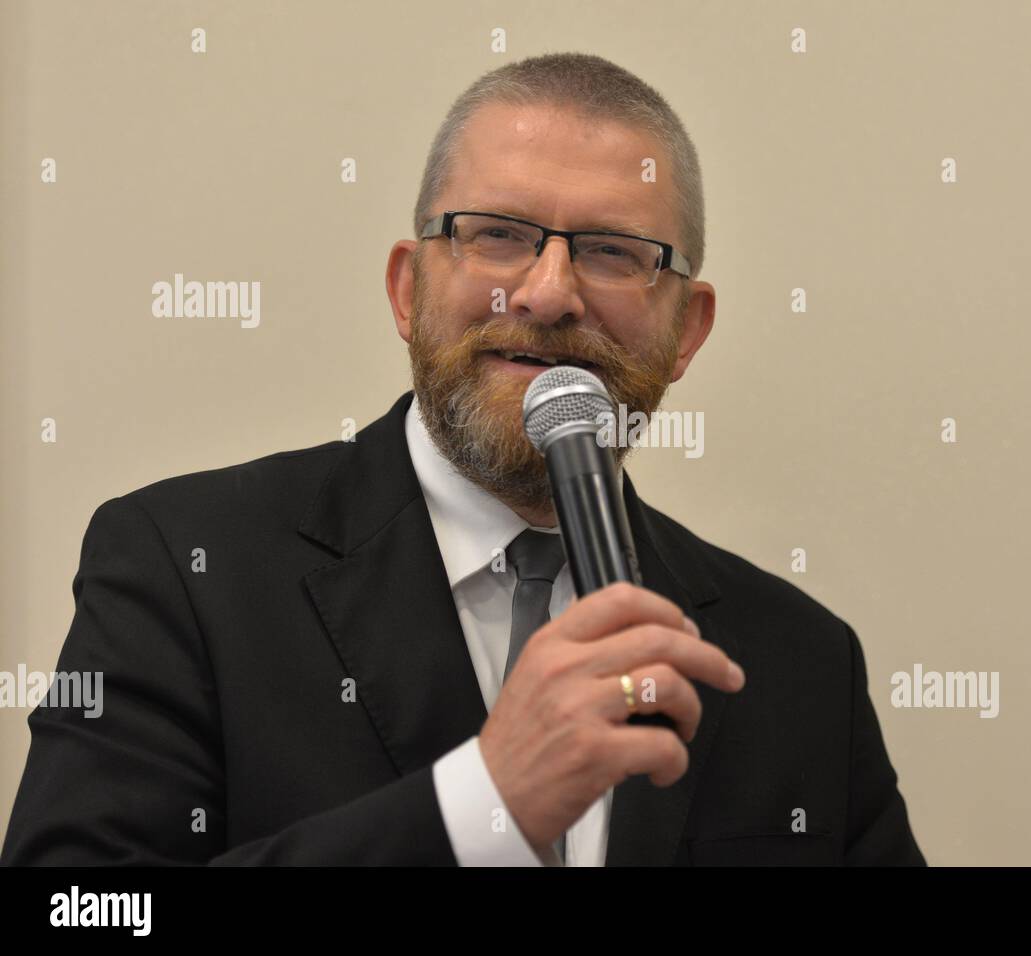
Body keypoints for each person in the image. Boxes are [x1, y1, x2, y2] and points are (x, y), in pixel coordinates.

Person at [1, 52, 924, 866]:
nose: (550, 292)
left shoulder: (800, 660)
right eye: (498, 235)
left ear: (688, 330)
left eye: (612, 252)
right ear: (409, 288)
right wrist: (482, 808)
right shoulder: (186, 564)